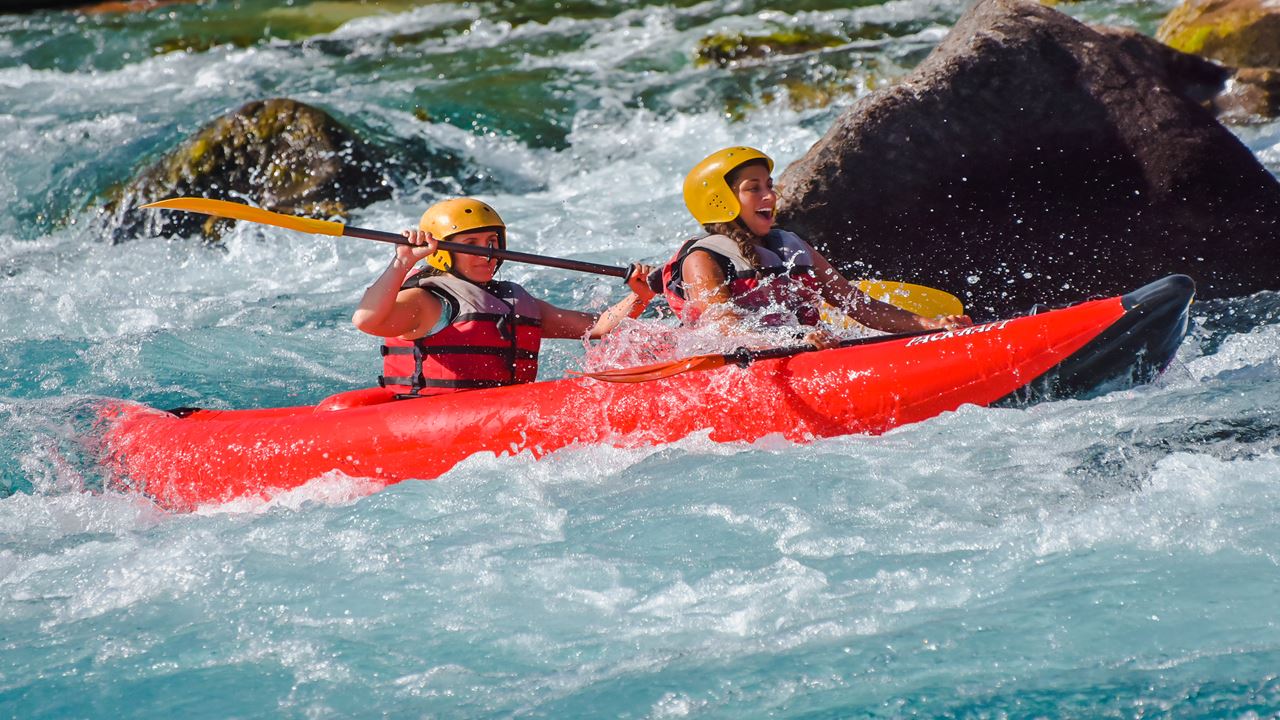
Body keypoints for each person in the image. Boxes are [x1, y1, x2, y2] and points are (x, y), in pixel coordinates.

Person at [656, 146, 971, 347]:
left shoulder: (790, 245)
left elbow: (857, 304)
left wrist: (928, 324)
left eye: (769, 185)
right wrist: (794, 340)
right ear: (719, 202)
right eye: (754, 189)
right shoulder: (703, 259)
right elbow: (724, 331)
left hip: (809, 349)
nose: (769, 195)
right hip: (747, 366)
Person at [353, 197, 654, 396]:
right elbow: (366, 320)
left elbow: (599, 327)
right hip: (431, 419)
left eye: (492, 242)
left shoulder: (512, 300)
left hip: (498, 416)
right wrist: (402, 262)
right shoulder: (427, 301)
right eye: (471, 243)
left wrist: (640, 296)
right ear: (443, 253)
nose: (487, 253)